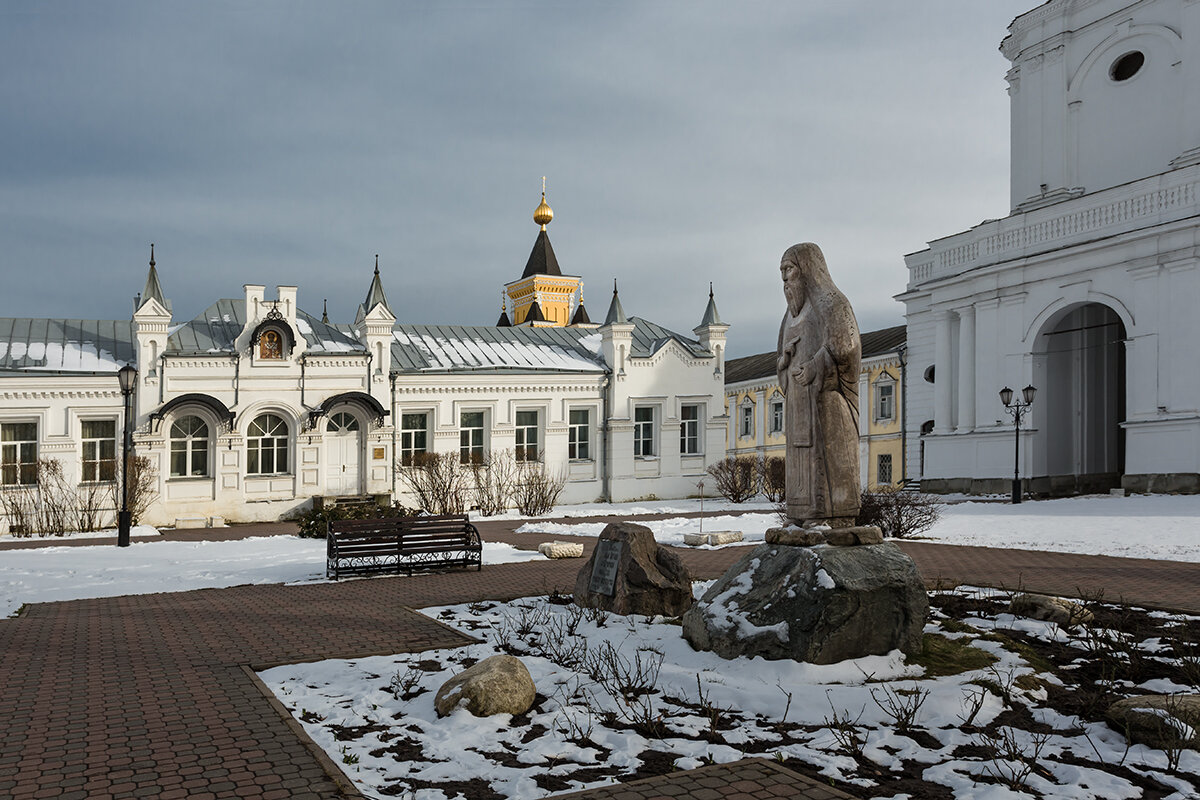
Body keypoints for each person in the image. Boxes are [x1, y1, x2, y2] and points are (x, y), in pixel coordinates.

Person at [776, 242, 862, 527]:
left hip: (826, 403)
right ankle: (800, 514)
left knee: (826, 461)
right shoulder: (787, 318)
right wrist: (784, 362)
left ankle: (831, 516)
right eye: (782, 272)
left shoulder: (832, 304)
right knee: (800, 456)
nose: (785, 279)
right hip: (798, 406)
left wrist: (814, 366)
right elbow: (781, 364)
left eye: (789, 269)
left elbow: (845, 346)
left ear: (807, 269)